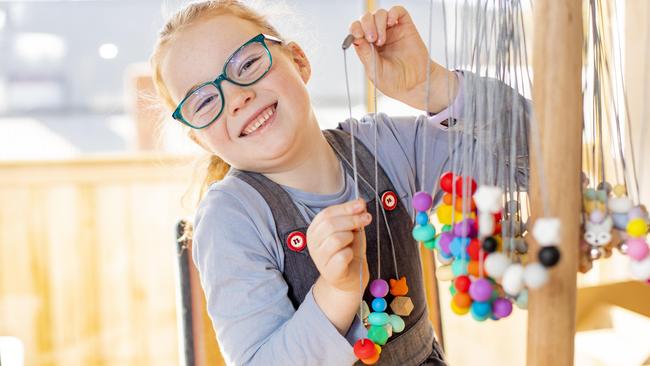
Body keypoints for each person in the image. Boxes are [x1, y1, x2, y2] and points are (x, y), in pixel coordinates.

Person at [150, 1, 529, 365]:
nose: (236, 97)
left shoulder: (387, 147)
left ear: (298, 61)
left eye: (247, 63)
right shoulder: (230, 218)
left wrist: (435, 86)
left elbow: (539, 160)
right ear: (200, 138)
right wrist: (337, 293)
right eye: (203, 102)